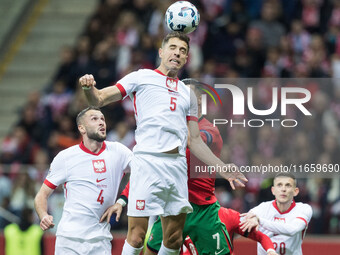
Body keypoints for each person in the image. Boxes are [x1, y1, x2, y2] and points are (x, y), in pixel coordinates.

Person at [79, 32, 247, 255]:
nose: (177, 53)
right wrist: (88, 88)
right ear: (161, 51)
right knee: (137, 236)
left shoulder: (187, 94)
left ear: (186, 59)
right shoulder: (140, 77)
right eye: (173, 47)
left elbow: (194, 140)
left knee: (174, 238)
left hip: (175, 166)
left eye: (183, 51)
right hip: (147, 162)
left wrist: (222, 167)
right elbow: (99, 99)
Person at [116, 79, 274, 255]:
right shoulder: (169, 131)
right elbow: (149, 166)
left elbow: (194, 140)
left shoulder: (209, 130)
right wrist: (124, 198)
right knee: (150, 251)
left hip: (202, 210)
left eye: (185, 95)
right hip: (174, 205)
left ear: (198, 101)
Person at [34, 106, 132, 255]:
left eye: (102, 119)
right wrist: (43, 215)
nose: (101, 123)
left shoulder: (119, 151)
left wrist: (122, 201)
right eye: (94, 119)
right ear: (82, 128)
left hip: (101, 241)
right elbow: (41, 195)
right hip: (69, 241)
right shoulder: (66, 157)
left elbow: (143, 173)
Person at [240, 173, 313, 255]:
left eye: (288, 185)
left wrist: (259, 220)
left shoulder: (303, 209)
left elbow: (292, 230)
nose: (283, 189)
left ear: (295, 191)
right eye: (279, 185)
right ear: (273, 190)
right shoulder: (261, 209)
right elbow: (238, 223)